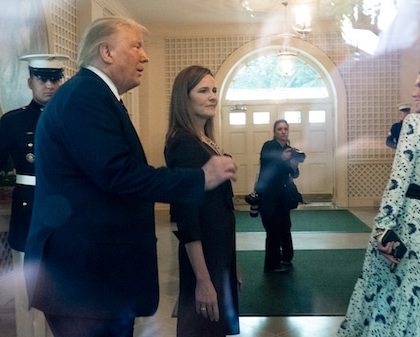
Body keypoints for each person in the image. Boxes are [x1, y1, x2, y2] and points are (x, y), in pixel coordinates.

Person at [24, 17, 237, 337]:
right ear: (107, 52)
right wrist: (198, 179)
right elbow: (118, 173)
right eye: (136, 46)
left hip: (94, 278)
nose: (145, 56)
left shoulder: (95, 95)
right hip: (84, 280)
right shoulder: (85, 95)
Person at [337, 63, 420, 336]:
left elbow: (399, 180)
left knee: (392, 292)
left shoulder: (414, 123)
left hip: (407, 222)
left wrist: (384, 228)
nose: (415, 92)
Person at [0, 53, 68, 337]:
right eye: (41, 78)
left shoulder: (73, 118)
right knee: (28, 294)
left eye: (55, 78)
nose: (49, 84)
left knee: (66, 293)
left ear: (63, 81)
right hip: (30, 213)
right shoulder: (14, 122)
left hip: (68, 215)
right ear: (30, 81)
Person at [164, 65, 241, 337]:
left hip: (218, 252)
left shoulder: (204, 139)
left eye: (214, 90)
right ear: (185, 98)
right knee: (203, 327)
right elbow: (187, 217)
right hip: (204, 254)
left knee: (215, 328)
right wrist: (203, 279)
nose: (212, 96)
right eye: (203, 90)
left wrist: (232, 264)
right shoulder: (184, 143)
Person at [255, 120, 301, 272]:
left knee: (285, 227)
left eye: (285, 129)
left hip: (283, 196)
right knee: (273, 229)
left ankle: (287, 258)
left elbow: (293, 174)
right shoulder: (268, 146)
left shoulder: (290, 149)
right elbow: (266, 163)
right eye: (279, 129)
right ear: (274, 132)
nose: (283, 131)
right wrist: (282, 157)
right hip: (268, 195)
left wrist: (294, 165)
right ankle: (272, 264)